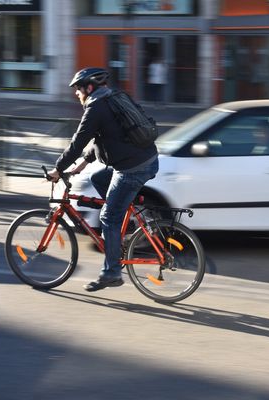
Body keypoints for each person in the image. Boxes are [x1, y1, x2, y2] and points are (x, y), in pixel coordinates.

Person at [48, 67, 159, 292]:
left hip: (133, 168)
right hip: (145, 159)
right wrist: (82, 165)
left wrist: (58, 168)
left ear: (89, 88)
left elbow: (77, 143)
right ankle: (127, 221)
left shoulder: (95, 108)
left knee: (108, 216)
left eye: (78, 90)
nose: (77, 95)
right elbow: (104, 137)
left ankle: (111, 273)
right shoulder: (115, 97)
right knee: (99, 178)